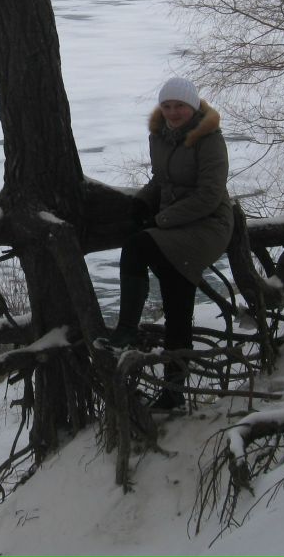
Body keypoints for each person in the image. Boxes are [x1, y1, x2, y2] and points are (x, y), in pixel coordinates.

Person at [110, 76, 233, 410]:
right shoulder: (159, 137)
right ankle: (173, 393)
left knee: (137, 248)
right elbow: (161, 180)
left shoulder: (210, 140)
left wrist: (161, 220)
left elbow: (209, 196)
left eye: (179, 106)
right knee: (177, 304)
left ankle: (126, 331)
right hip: (176, 224)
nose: (173, 112)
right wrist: (142, 201)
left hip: (208, 225)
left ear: (192, 107)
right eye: (167, 106)